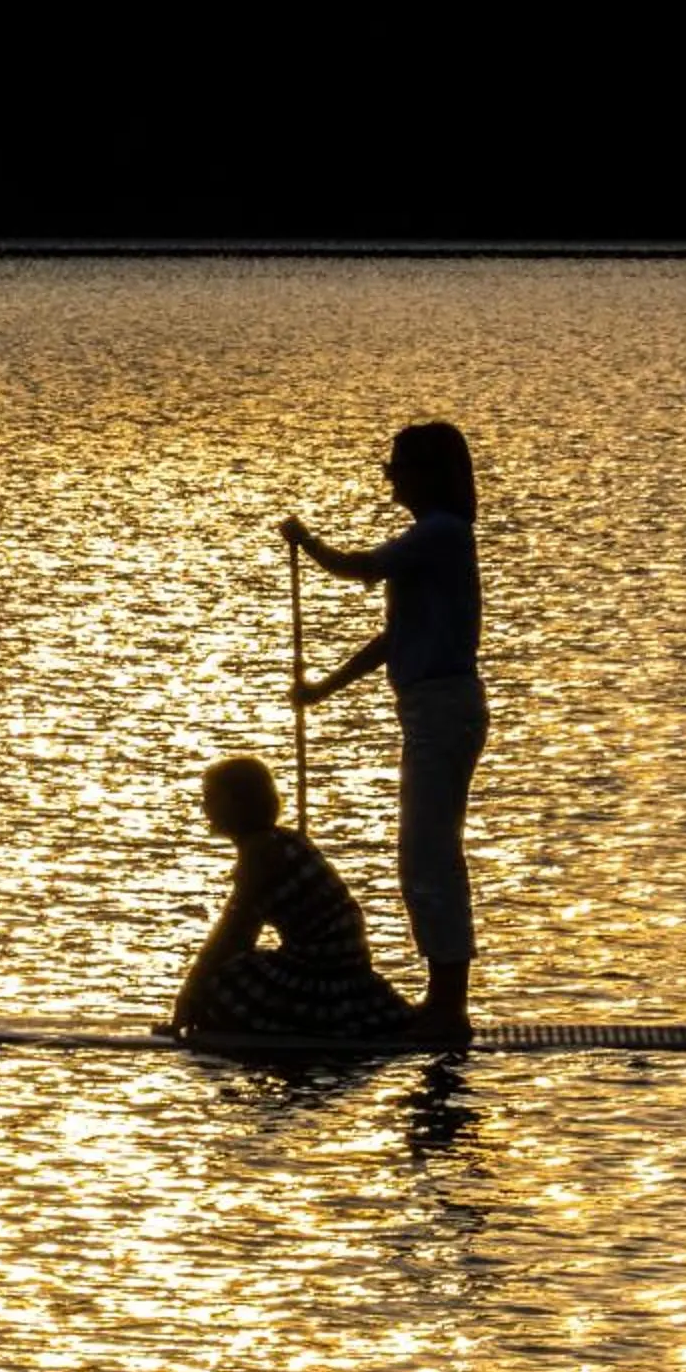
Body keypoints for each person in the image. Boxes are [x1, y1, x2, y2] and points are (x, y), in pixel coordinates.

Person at [280, 420, 489, 1041]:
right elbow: (394, 639)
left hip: (444, 708)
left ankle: (447, 1008)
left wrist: (305, 541)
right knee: (421, 854)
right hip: (427, 708)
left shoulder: (442, 535)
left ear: (428, 473)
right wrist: (322, 690)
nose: (388, 476)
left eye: (397, 465)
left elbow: (357, 568)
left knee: (430, 855)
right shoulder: (430, 542)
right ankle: (442, 1003)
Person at [169, 755, 414, 1039]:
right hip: (337, 960)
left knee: (221, 980)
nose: (205, 809)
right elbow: (240, 936)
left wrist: (191, 996)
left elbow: (233, 935)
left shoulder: (262, 854)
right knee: (223, 974)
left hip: (323, 967)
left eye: (212, 799)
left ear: (240, 803)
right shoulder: (279, 841)